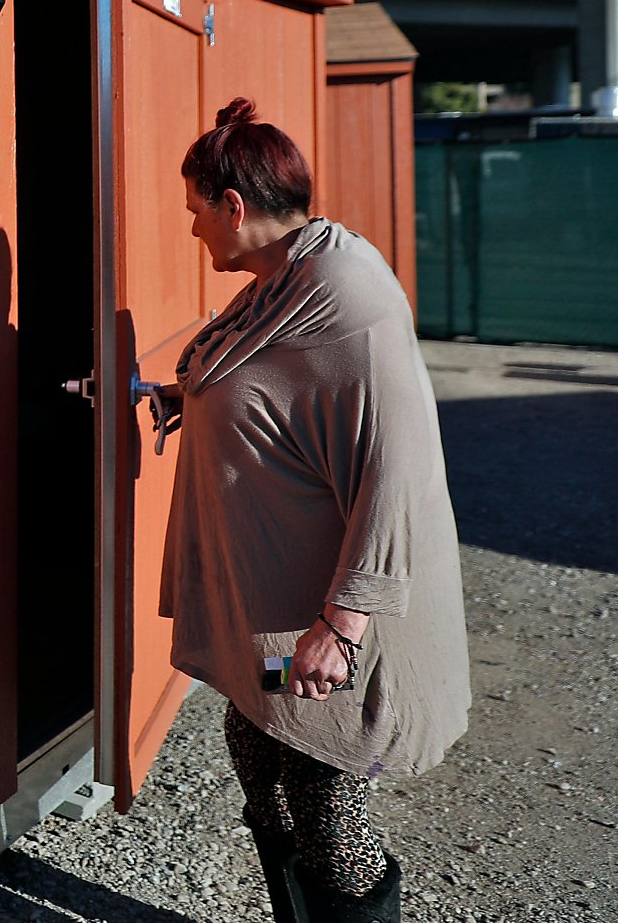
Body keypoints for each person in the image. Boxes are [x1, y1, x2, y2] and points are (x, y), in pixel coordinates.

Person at [156, 97, 469, 923]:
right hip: (271, 626)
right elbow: (271, 383)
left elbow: (395, 466)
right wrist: (180, 399)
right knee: (256, 752)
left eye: (198, 214)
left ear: (235, 206)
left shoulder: (346, 294)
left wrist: (344, 623)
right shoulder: (280, 286)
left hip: (332, 626)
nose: (195, 233)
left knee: (328, 802)